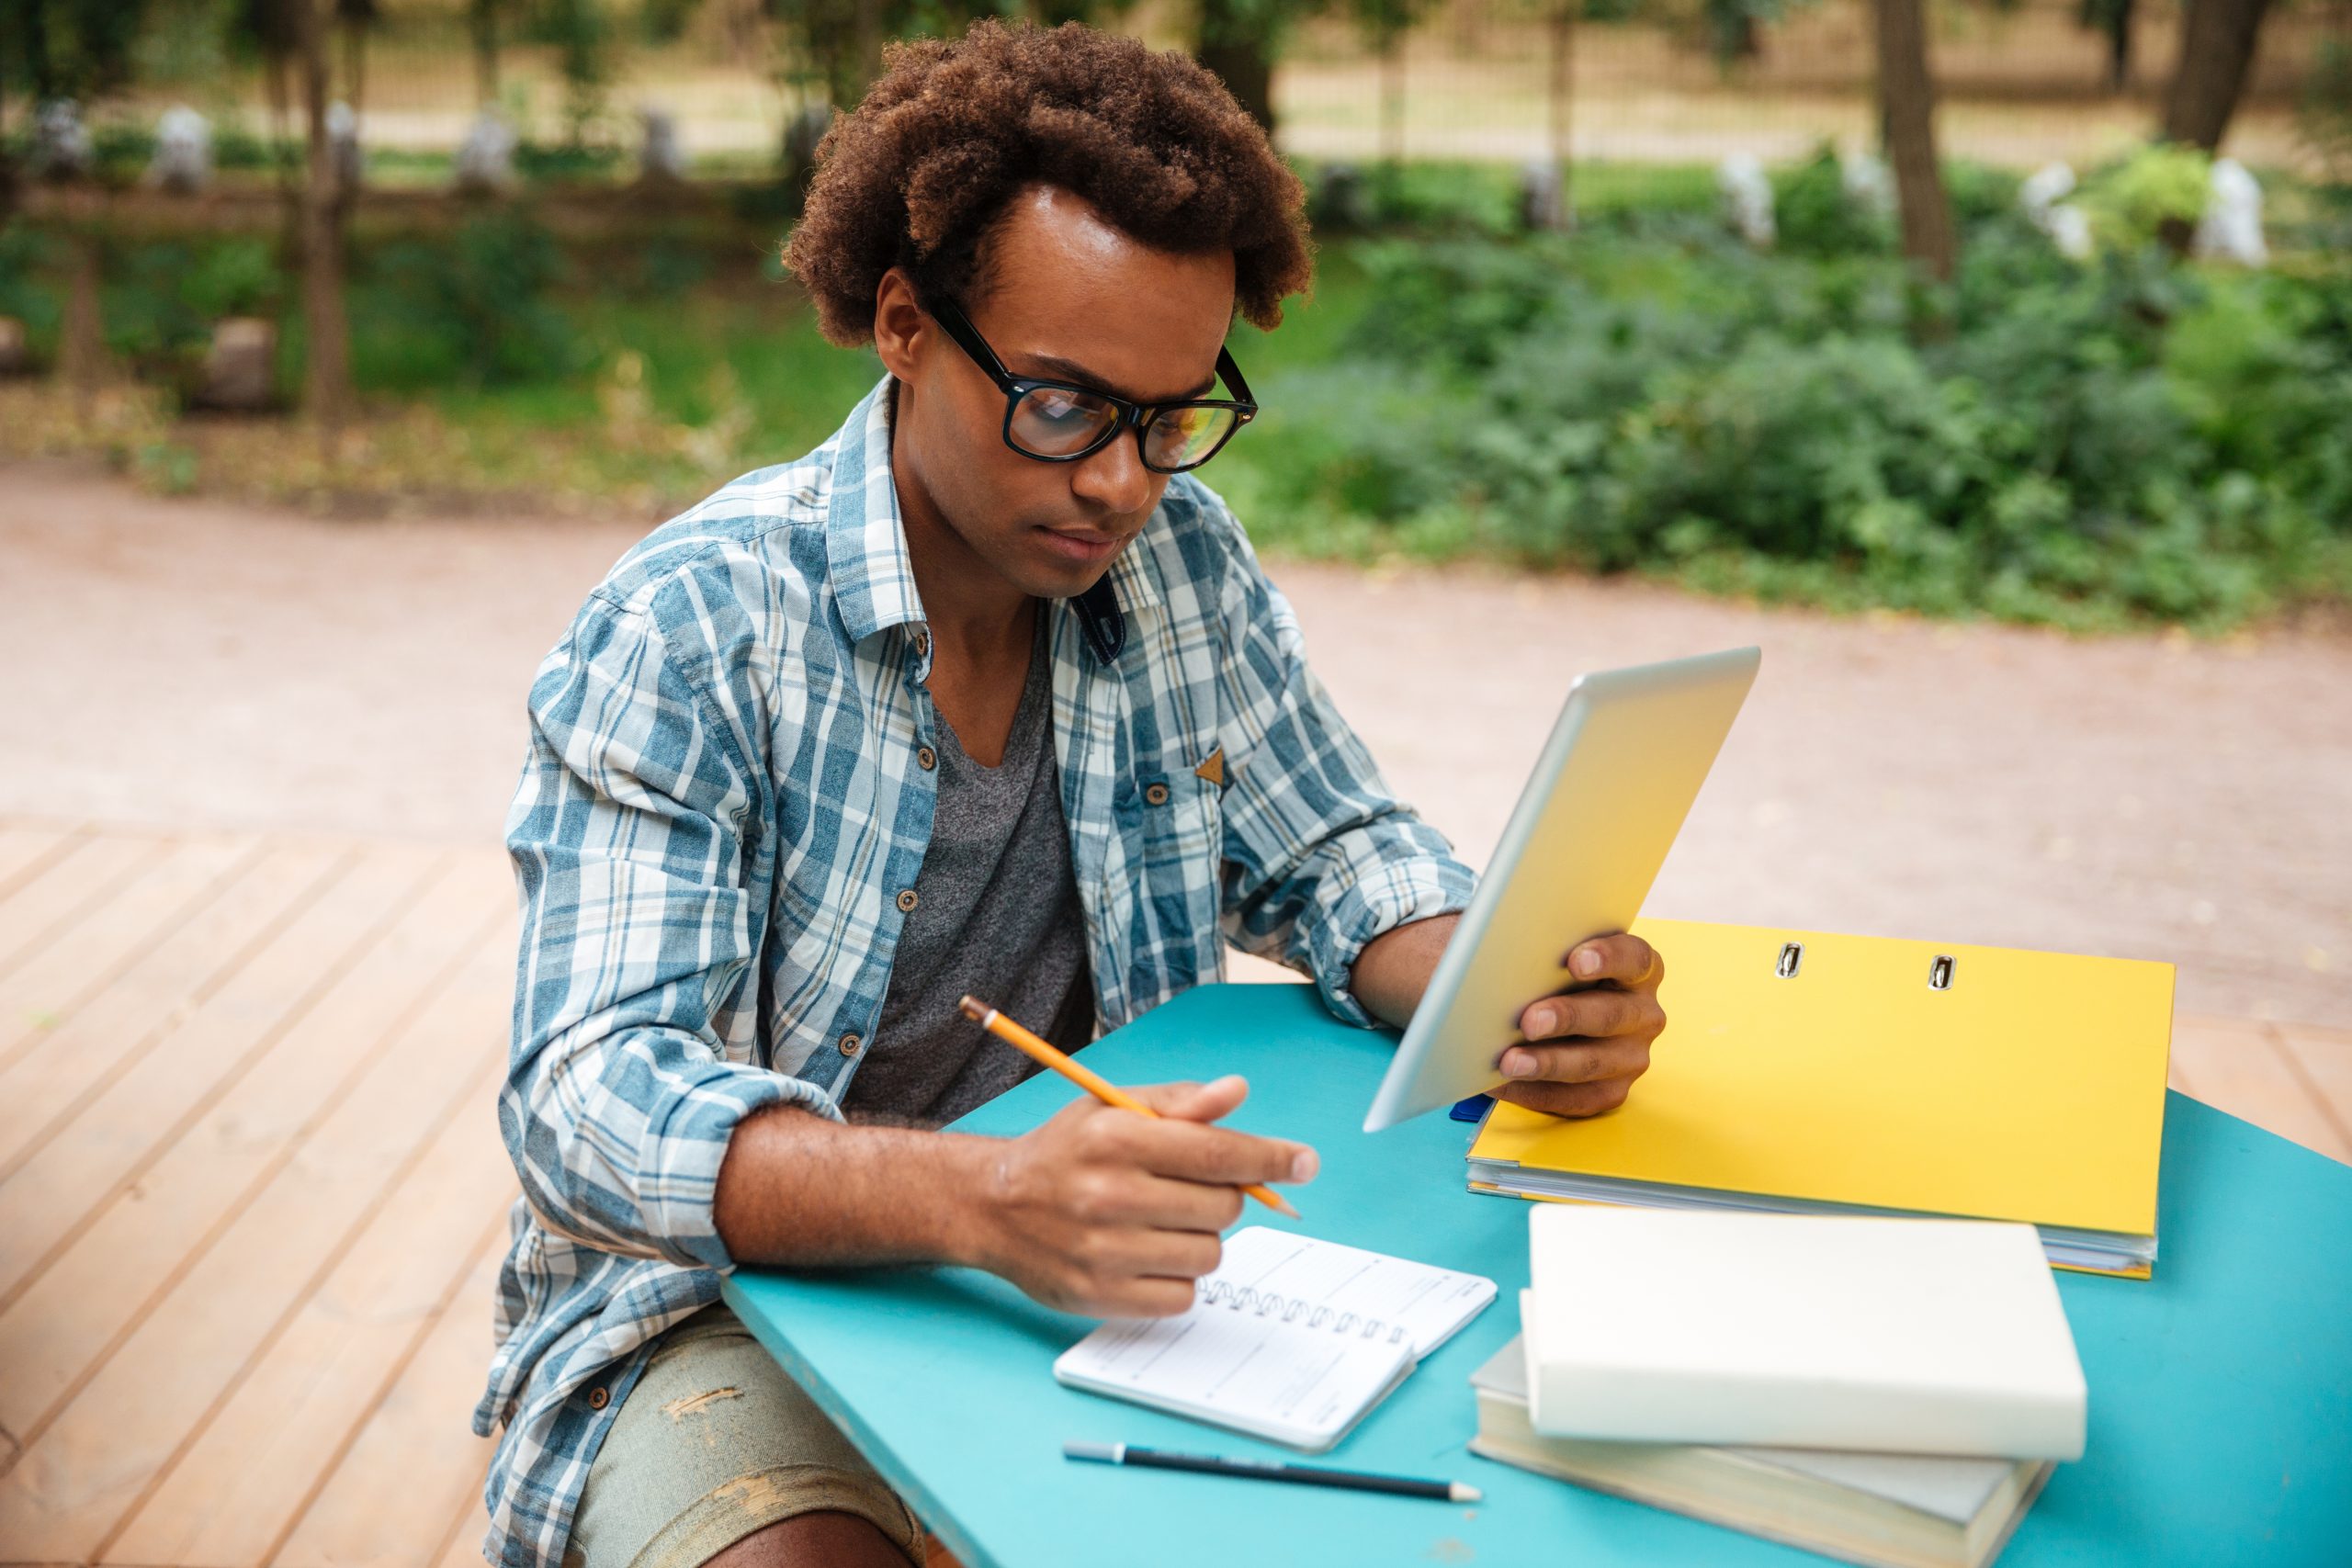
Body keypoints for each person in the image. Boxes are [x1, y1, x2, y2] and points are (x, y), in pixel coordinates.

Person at [471, 20, 1668, 1568]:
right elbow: (589, 1096)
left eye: (1172, 416)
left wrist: (1505, 989)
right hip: (732, 1312)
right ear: (903, 324)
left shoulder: (1179, 561)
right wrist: (984, 1202)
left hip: (1116, 1269)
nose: (1122, 480)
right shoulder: (693, 628)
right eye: (1061, 405)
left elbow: (1336, 848)